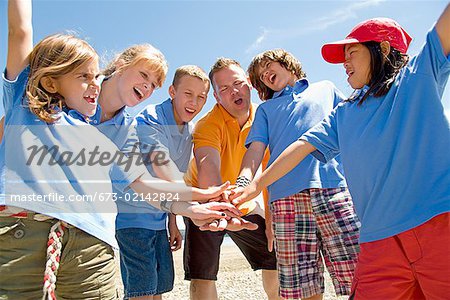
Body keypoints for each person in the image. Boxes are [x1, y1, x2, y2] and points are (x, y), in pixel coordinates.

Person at [0, 1, 240, 299]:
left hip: (93, 241)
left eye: (154, 84)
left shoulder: (123, 132)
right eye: (144, 76)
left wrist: (197, 203)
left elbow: (143, 184)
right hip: (27, 231)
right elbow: (20, 30)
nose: (148, 87)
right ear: (120, 65)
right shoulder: (33, 99)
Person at [232, 6, 450, 300]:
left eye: (352, 53)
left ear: (383, 48)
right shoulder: (344, 113)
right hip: (378, 241)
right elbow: (300, 147)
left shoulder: (418, 76)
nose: (344, 63)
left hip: (437, 225)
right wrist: (255, 185)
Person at [236, 48, 360, 300]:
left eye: (270, 66)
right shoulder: (265, 110)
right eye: (261, 74)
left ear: (289, 65)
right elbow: (255, 151)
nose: (266, 73)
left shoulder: (325, 88)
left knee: (358, 272)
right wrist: (243, 181)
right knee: (303, 287)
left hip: (333, 189)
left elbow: (354, 128)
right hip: (285, 200)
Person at [182, 58, 280, 300]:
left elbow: (270, 173)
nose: (234, 91)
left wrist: (271, 220)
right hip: (206, 203)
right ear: (216, 97)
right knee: (202, 275)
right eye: (224, 88)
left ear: (249, 84)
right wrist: (219, 203)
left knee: (275, 259)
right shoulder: (208, 125)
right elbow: (208, 166)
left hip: (243, 202)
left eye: (237, 83)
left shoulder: (265, 118)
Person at [115, 65, 210, 299]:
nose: (194, 102)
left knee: (158, 291)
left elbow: (173, 180)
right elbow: (162, 166)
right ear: (172, 91)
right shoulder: (151, 117)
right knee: (142, 292)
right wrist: (200, 202)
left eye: (201, 97)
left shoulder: (189, 132)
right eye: (188, 94)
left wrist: (172, 223)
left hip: (159, 219)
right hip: (133, 218)